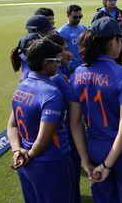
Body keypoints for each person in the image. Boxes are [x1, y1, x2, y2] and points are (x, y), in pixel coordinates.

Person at [69, 17, 122, 203]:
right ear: (112, 42)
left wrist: (86, 162)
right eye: (121, 40)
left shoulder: (78, 73)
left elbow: (75, 122)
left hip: (93, 148)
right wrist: (107, 165)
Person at [7, 38, 76, 203]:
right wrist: (28, 156)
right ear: (47, 63)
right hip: (50, 163)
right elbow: (44, 140)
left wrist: (18, 151)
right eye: (57, 61)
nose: (60, 64)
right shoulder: (51, 93)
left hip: (25, 163)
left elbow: (11, 126)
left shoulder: (21, 87)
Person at [44, 33, 81, 202]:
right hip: (64, 136)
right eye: (65, 50)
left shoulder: (62, 71)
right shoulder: (56, 78)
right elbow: (75, 105)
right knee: (69, 179)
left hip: (65, 135)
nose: (69, 53)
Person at [10, 15, 55, 82]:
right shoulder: (35, 52)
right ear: (34, 30)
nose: (48, 34)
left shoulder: (24, 46)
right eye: (45, 31)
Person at [91, 0, 122, 65]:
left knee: (119, 64)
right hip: (105, 45)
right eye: (110, 0)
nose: (113, 2)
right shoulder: (100, 14)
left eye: (114, 0)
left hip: (118, 43)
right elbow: (93, 30)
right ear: (105, 1)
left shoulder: (121, 13)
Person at [58, 4, 87, 75]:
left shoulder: (84, 28)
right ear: (68, 15)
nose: (78, 19)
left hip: (84, 66)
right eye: (75, 17)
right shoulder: (62, 32)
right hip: (71, 69)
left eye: (80, 16)